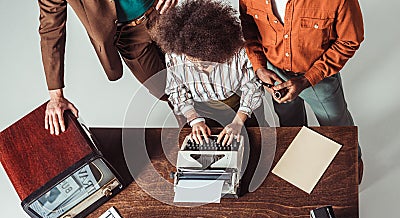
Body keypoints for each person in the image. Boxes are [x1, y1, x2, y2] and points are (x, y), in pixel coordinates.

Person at [239, 0, 364, 182]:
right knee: (290, 123)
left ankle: (351, 167)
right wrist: (259, 66)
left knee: (336, 124)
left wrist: (308, 79)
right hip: (275, 74)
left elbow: (349, 40)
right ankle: (300, 169)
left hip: (318, 76)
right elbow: (248, 27)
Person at [39, 0, 177, 135]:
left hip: (163, 11)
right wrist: (56, 97)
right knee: (166, 91)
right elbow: (51, 29)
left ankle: (196, 138)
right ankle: (195, 131)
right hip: (129, 35)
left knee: (196, 75)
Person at [149, 0, 266, 145]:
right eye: (192, 60)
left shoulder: (238, 50)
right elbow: (176, 90)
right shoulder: (176, 54)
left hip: (243, 107)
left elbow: (253, 86)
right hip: (202, 111)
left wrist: (238, 121)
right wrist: (194, 119)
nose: (200, 67)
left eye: (205, 61)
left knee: (258, 143)